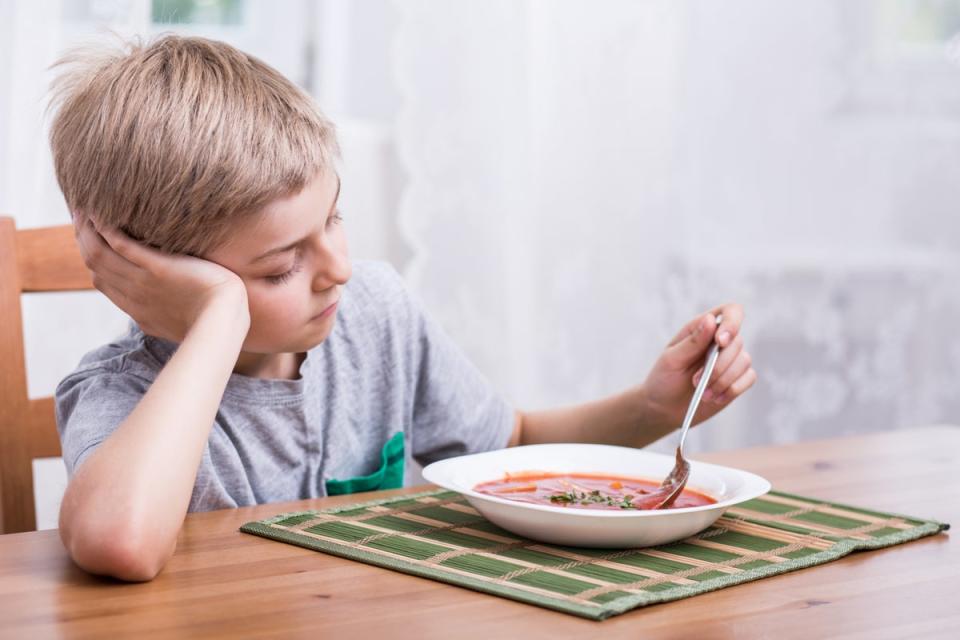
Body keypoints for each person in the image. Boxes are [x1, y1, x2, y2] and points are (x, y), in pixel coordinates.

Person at [48, 35, 756, 582]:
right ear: (161, 274)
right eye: (281, 266)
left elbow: (504, 447)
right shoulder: (121, 394)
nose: (339, 270)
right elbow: (121, 541)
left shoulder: (372, 313)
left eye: (335, 219)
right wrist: (220, 316)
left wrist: (654, 408)